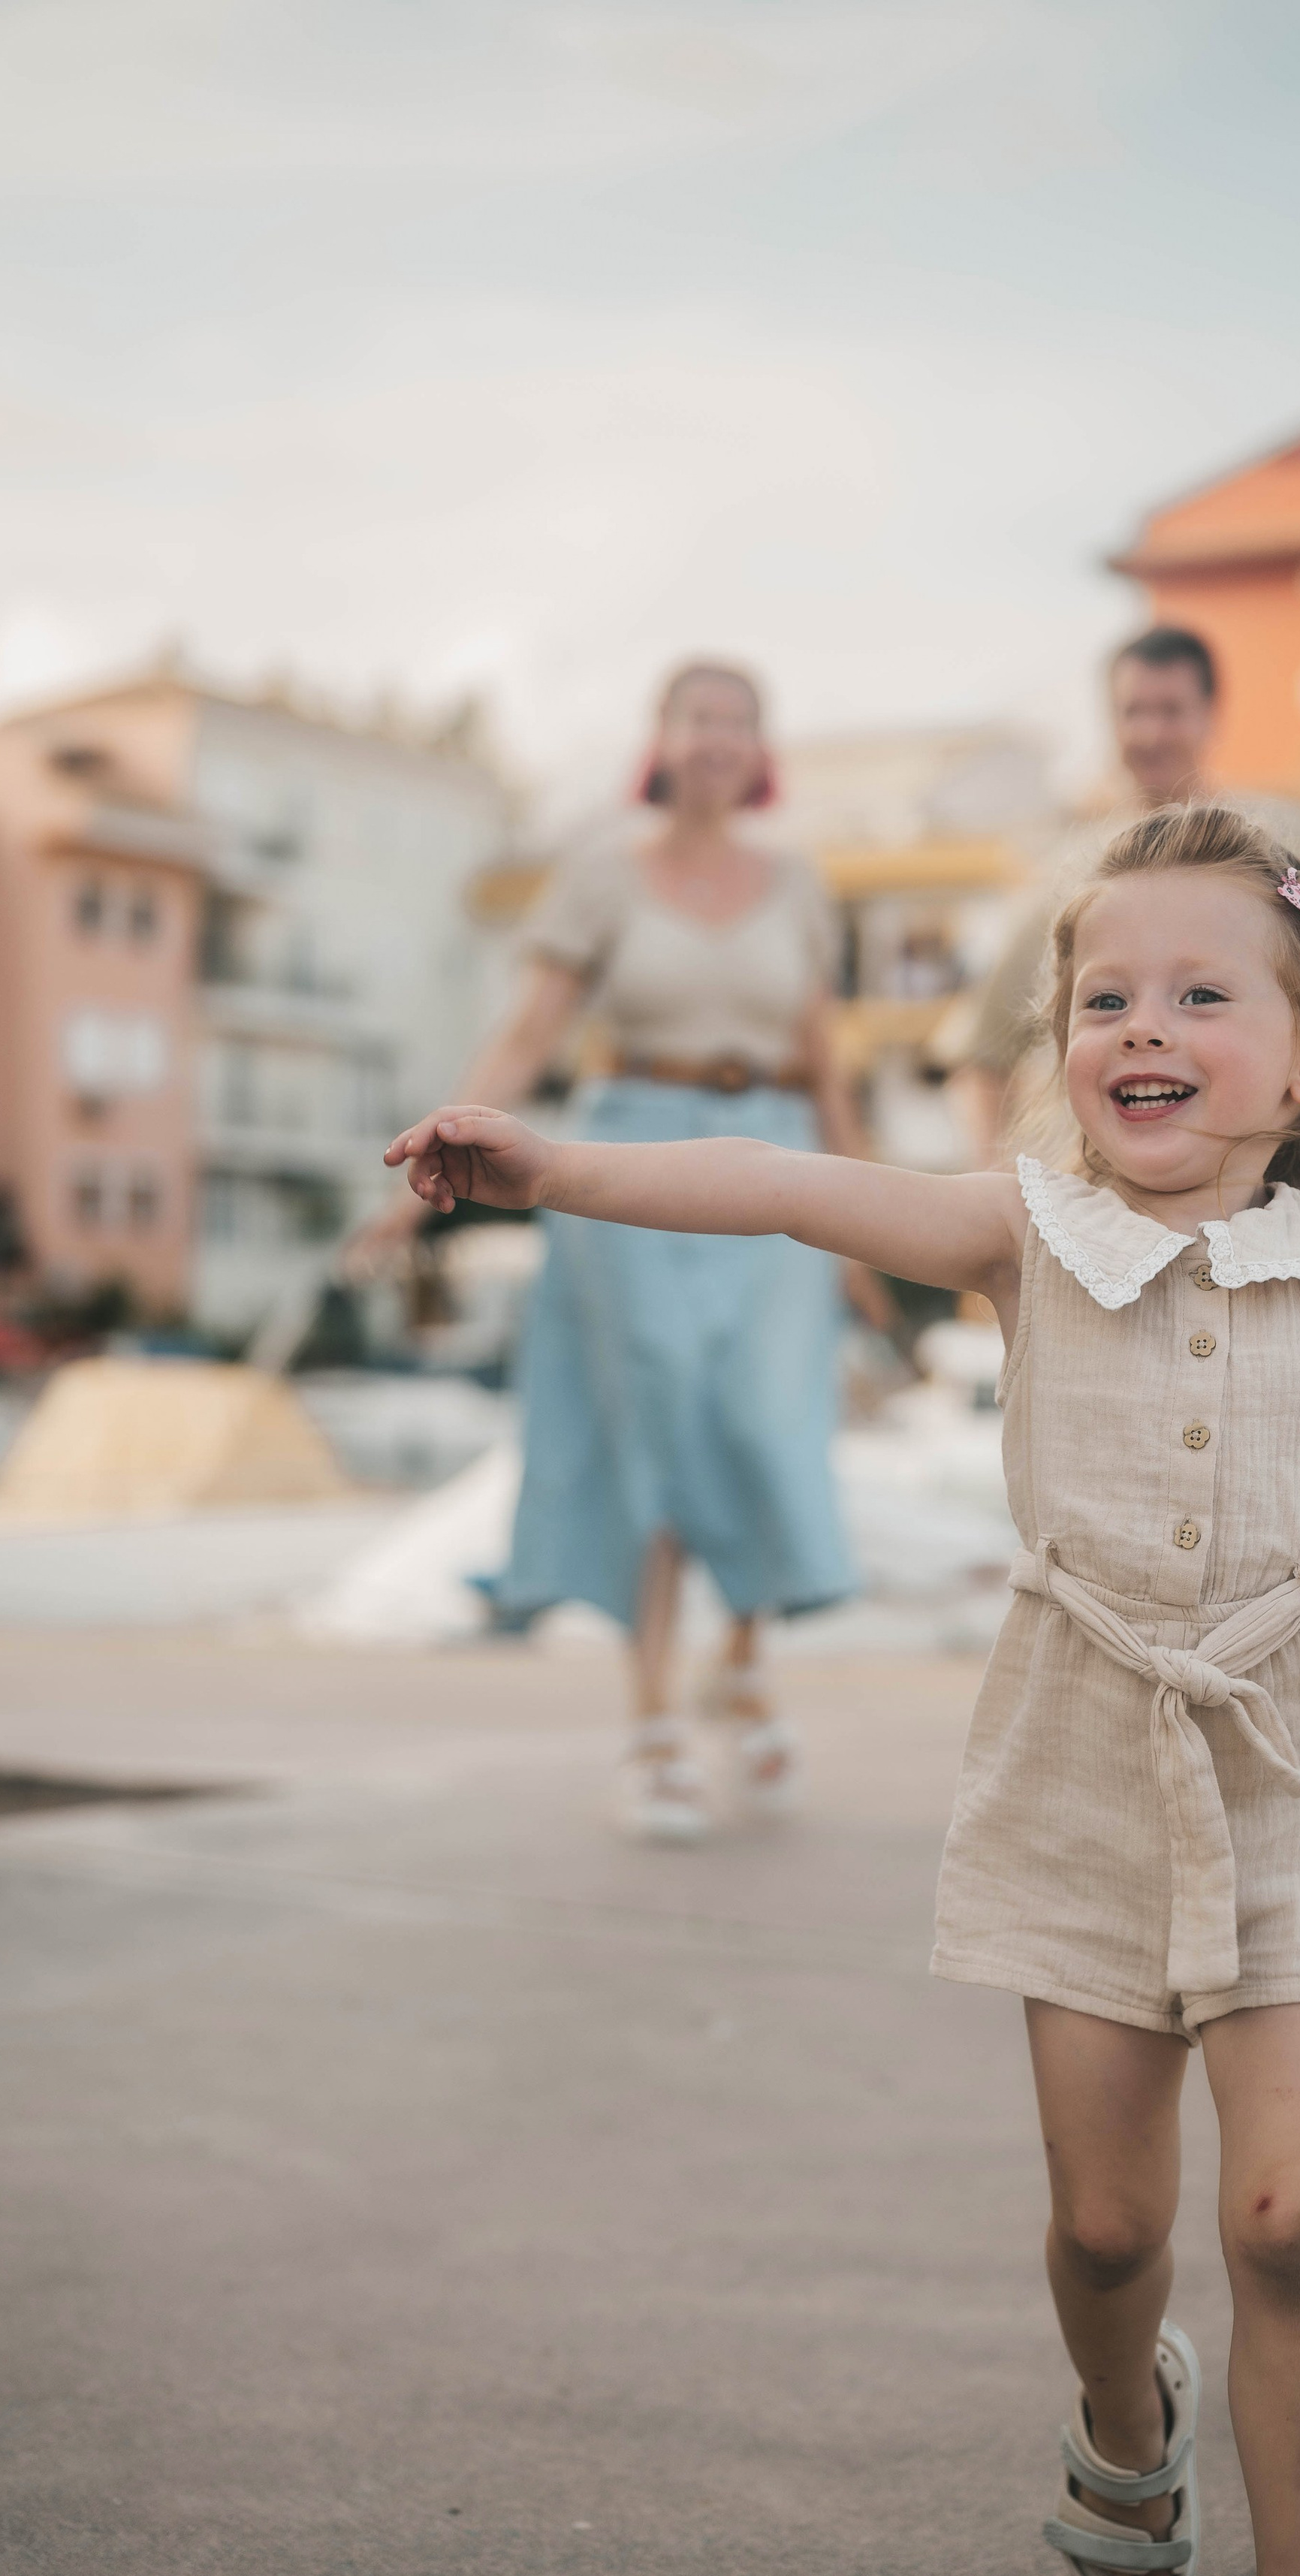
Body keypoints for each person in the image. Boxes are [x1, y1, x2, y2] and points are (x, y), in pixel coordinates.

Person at [382, 801, 1300, 2576]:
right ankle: (1121, 2419)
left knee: (1289, 2220)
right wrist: (557, 1168)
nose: (1142, 1028)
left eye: (1199, 994)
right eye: (1104, 998)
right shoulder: (1020, 1228)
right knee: (1105, 2233)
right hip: (1086, 1755)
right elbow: (785, 1182)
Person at [350, 659, 862, 1842]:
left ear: (761, 745)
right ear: (664, 738)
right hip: (631, 1158)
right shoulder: (599, 875)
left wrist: (867, 1226)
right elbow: (529, 1030)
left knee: (767, 1426)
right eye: (699, 717)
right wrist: (430, 1173)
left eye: (741, 718)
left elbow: (828, 1063)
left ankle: (738, 1660)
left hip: (779, 1155)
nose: (719, 737)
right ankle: (650, 1727)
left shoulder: (800, 886)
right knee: (663, 1434)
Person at [954, 626, 1300, 1163]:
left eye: (1171, 710)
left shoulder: (1289, 842)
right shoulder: (1070, 875)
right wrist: (1001, 1199)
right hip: (1111, 1201)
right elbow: (982, 1054)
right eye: (1133, 712)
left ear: (1210, 715)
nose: (1152, 732)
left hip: (1278, 1186)